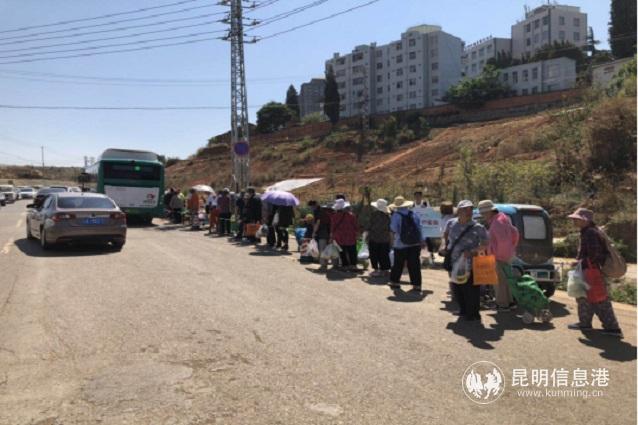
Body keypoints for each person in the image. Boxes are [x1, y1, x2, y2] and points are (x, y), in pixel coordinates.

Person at [567, 208, 623, 337]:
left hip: (592, 271)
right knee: (584, 297)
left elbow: (594, 254)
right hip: (590, 270)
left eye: (577, 219)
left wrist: (579, 262)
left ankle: (613, 328)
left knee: (599, 299)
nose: (574, 221)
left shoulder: (590, 233)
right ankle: (585, 323)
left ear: (585, 220)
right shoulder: (590, 231)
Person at [447, 200, 489, 322]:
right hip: (455, 262)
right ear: (459, 211)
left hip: (471, 264)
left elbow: (485, 244)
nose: (468, 212)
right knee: (457, 287)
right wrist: (444, 247)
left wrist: (472, 251)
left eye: (470, 209)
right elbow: (447, 238)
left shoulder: (478, 227)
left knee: (471, 290)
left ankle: (473, 314)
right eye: (465, 209)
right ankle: (463, 310)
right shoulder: (451, 224)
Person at [478, 200, 519, 311]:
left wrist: (498, 256)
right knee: (506, 280)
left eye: (483, 213)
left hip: (500, 256)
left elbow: (503, 242)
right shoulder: (503, 218)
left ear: (490, 211)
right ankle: (509, 302)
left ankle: (502, 304)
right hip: (506, 255)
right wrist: (511, 249)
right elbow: (515, 233)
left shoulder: (497, 223)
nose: (483, 216)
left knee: (499, 282)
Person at [389, 196, 424, 292]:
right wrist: (422, 240)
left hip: (400, 244)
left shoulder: (396, 216)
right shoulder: (414, 214)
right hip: (415, 243)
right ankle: (417, 284)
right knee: (414, 264)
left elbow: (393, 230)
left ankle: (395, 282)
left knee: (398, 264)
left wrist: (392, 243)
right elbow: (419, 228)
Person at [330, 198, 359, 271]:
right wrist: (356, 233)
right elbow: (355, 226)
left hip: (339, 237)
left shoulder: (334, 216)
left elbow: (332, 227)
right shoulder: (351, 215)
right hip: (350, 237)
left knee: (342, 252)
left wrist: (332, 236)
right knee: (352, 251)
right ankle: (353, 265)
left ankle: (345, 265)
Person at [366, 198, 392, 277]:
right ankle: (385, 270)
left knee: (374, 254)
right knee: (384, 254)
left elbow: (369, 226)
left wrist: (366, 235)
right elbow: (390, 228)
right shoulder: (388, 216)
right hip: (385, 238)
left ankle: (376, 270)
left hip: (374, 238)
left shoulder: (373, 215)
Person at [412, 189, 436, 264]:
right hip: (416, 227)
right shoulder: (412, 205)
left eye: (419, 196)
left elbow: (430, 213)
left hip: (425, 226)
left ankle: (431, 256)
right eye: (416, 196)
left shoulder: (425, 203)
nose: (417, 197)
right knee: (416, 242)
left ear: (421, 196)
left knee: (428, 241)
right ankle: (417, 257)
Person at [314, 203, 334, 271]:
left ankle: (323, 265)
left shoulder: (321, 214)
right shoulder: (333, 214)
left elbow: (317, 224)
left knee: (322, 250)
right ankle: (328, 262)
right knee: (329, 249)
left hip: (322, 234)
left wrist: (314, 232)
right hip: (331, 234)